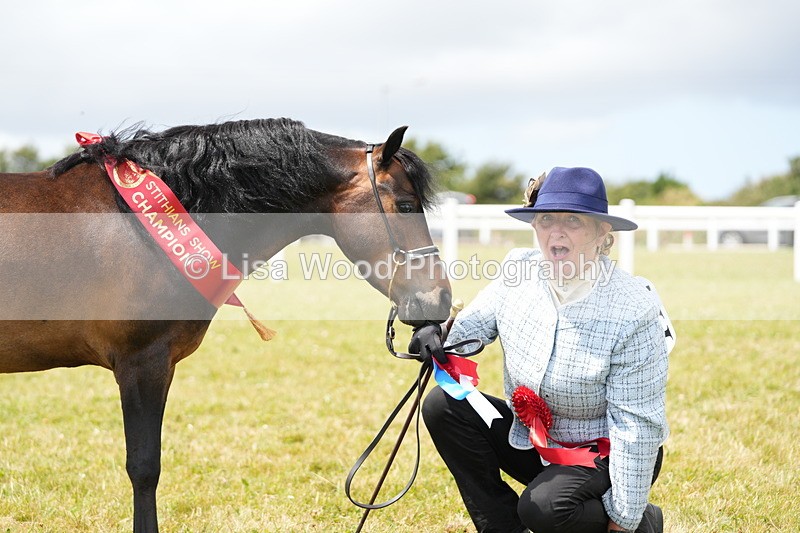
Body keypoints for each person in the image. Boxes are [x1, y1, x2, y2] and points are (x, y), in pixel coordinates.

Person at [410, 167, 671, 533]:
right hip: (530, 440)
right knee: (444, 405)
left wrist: (624, 519)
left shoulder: (633, 308)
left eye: (573, 221)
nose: (556, 232)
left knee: (544, 508)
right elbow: (471, 329)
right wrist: (436, 334)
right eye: (546, 219)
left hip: (607, 455)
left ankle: (645, 522)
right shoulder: (518, 270)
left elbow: (636, 425)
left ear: (602, 233)